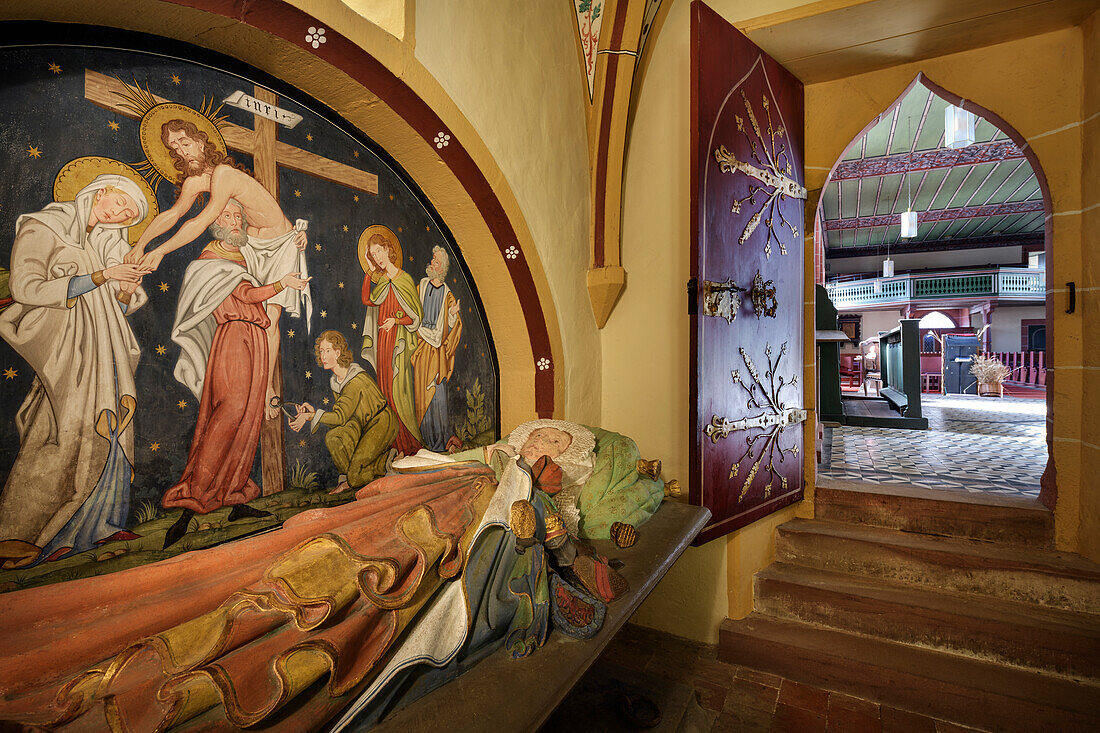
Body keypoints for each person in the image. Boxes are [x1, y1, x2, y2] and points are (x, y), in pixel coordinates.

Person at [0, 167, 152, 568]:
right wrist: (103, 275)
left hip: (106, 349)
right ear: (99, 191)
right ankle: (20, 534)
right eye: (119, 203)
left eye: (128, 216)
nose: (119, 215)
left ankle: (100, 523)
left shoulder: (105, 241)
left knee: (111, 422)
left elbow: (114, 306)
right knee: (58, 430)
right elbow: (26, 288)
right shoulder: (43, 226)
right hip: (66, 349)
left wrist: (126, 284)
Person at [124, 113, 310, 417]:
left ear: (201, 141)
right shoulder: (196, 181)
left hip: (279, 243)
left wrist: (163, 251)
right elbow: (173, 215)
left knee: (270, 318)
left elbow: (202, 219)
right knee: (254, 307)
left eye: (185, 143)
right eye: (176, 148)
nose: (182, 152)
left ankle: (266, 387)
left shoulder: (224, 173)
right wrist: (141, 244)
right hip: (250, 244)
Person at [162, 199, 310, 549]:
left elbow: (270, 254)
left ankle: (234, 495)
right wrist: (280, 284)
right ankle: (193, 499)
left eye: (239, 216)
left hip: (254, 340)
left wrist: (295, 242)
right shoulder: (209, 262)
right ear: (216, 222)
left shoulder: (244, 257)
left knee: (247, 420)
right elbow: (246, 293)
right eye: (228, 215)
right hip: (232, 339)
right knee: (226, 414)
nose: (235, 220)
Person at [288, 330, 399, 493]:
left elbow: (340, 417)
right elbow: (343, 413)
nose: (323, 356)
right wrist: (313, 413)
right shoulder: (337, 380)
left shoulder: (354, 380)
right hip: (360, 423)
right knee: (333, 437)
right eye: (321, 351)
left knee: (356, 477)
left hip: (380, 423)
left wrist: (310, 416)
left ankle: (389, 461)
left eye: (327, 351)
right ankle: (347, 479)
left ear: (338, 352)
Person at [361, 228, 424, 456]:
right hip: (383, 343)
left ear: (388, 249)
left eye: (379, 251)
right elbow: (367, 299)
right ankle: (393, 443)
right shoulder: (383, 281)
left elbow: (416, 317)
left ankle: (409, 443)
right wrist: (369, 272)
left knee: (400, 390)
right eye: (372, 254)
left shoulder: (404, 279)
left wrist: (395, 322)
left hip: (399, 344)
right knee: (385, 389)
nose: (377, 257)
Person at [411, 246, 463, 451]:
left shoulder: (448, 293)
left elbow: (454, 325)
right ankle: (425, 439)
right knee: (420, 393)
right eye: (432, 260)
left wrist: (452, 314)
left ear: (442, 268)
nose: (432, 263)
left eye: (436, 262)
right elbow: (411, 308)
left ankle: (441, 440)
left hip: (437, 350)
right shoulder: (421, 286)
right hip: (421, 345)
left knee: (437, 393)